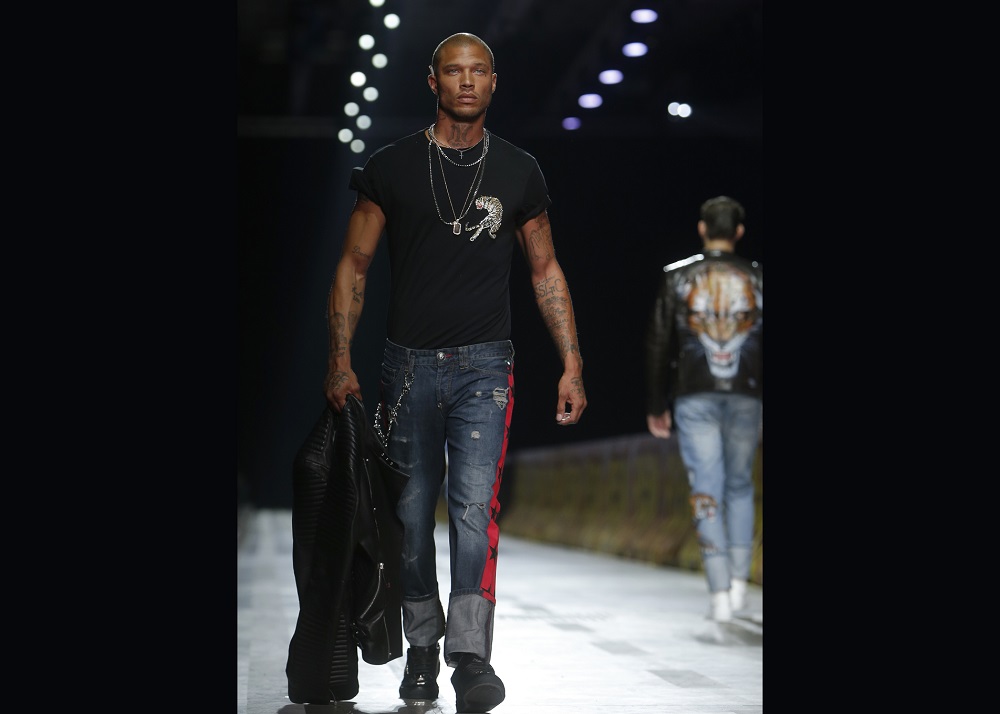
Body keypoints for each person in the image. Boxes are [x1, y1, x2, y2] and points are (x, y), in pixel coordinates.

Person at [323, 32, 587, 713]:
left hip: (485, 367)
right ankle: (420, 653)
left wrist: (571, 361)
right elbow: (354, 264)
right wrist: (339, 359)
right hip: (406, 368)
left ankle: (470, 658)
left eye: (478, 72)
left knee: (474, 514)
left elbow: (545, 269)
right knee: (412, 520)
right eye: (453, 71)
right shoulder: (392, 166)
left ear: (494, 82)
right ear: (433, 81)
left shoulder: (520, 171)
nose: (466, 82)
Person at [644, 196, 762, 623]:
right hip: (748, 395)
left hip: (694, 395)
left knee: (705, 485)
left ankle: (718, 591)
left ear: (702, 229)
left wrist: (657, 403)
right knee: (740, 485)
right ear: (739, 232)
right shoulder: (758, 278)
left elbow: (659, 342)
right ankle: (739, 581)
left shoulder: (677, 277)